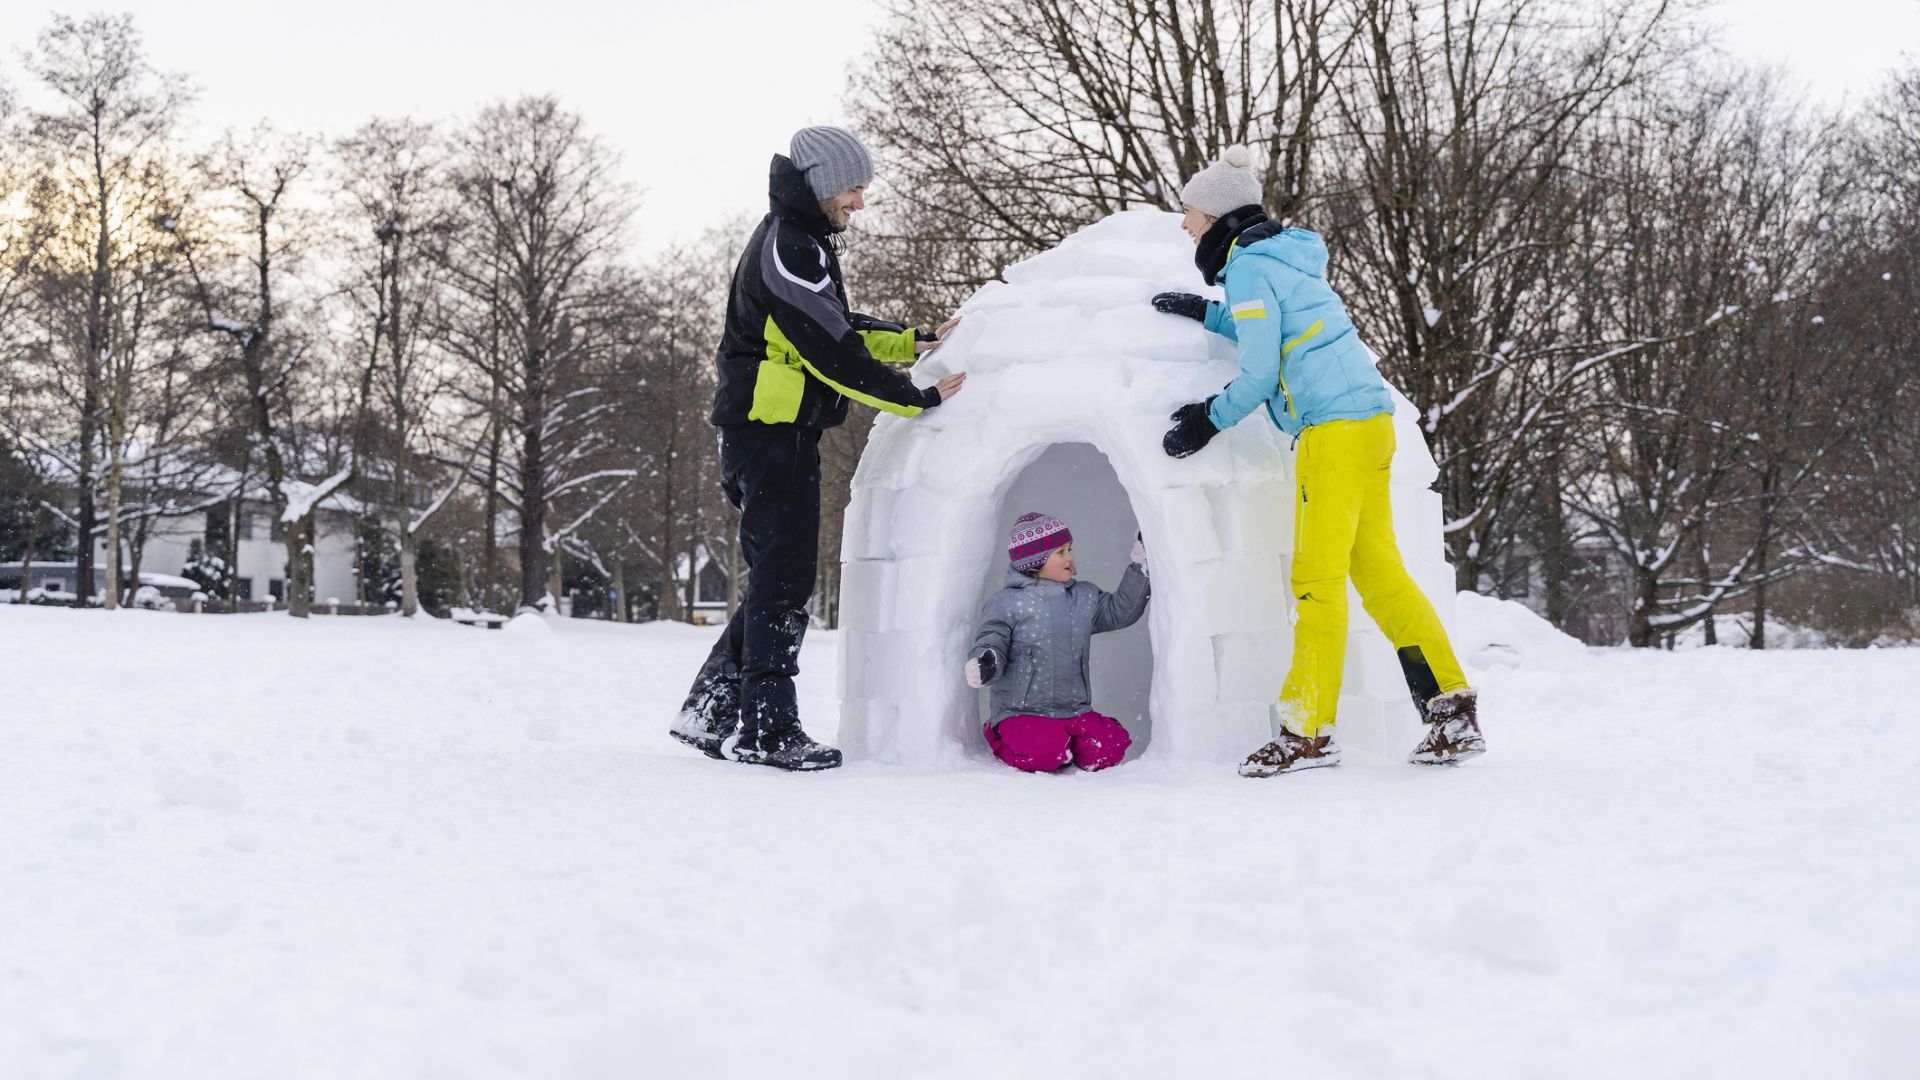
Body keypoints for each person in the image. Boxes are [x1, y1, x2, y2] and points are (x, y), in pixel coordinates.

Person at [1150, 145, 1486, 778]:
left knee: (1316, 582)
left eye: (1189, 211)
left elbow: (1254, 376)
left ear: (1218, 215)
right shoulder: (1285, 259)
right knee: (1381, 574)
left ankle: (1307, 732)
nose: (1184, 224)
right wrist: (1207, 313)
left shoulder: (1249, 269)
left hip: (1331, 433)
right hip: (1371, 425)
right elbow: (1280, 330)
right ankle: (1452, 709)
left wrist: (1206, 421)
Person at [672, 126, 966, 772]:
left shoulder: (800, 242)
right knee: (785, 581)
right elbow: (829, 352)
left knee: (774, 577)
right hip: (767, 434)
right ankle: (767, 731)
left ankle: (712, 710)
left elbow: (839, 326)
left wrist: (910, 340)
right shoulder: (789, 246)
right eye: (855, 189)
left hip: (772, 432)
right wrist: (915, 397)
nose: (860, 203)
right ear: (824, 184)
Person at [965, 512, 1149, 773]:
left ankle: (1066, 743)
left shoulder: (1083, 597)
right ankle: (999, 736)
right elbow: (992, 637)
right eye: (1060, 552)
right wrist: (987, 661)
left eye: (1069, 549)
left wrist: (1140, 565)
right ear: (1034, 561)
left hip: (1074, 710)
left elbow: (1119, 612)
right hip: (1022, 712)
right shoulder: (1008, 603)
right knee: (1043, 756)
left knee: (1108, 747)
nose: (1070, 557)